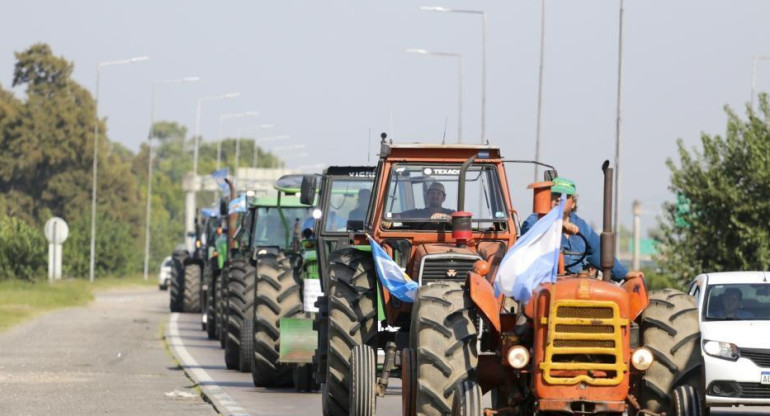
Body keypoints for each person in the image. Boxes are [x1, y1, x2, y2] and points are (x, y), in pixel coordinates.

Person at [521, 176, 641, 282]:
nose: (559, 199)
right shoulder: (536, 220)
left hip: (577, 282)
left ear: (573, 203)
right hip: (545, 282)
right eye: (555, 195)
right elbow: (530, 235)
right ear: (548, 199)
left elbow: (598, 251)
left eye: (564, 196)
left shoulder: (581, 225)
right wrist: (559, 225)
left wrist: (624, 274)